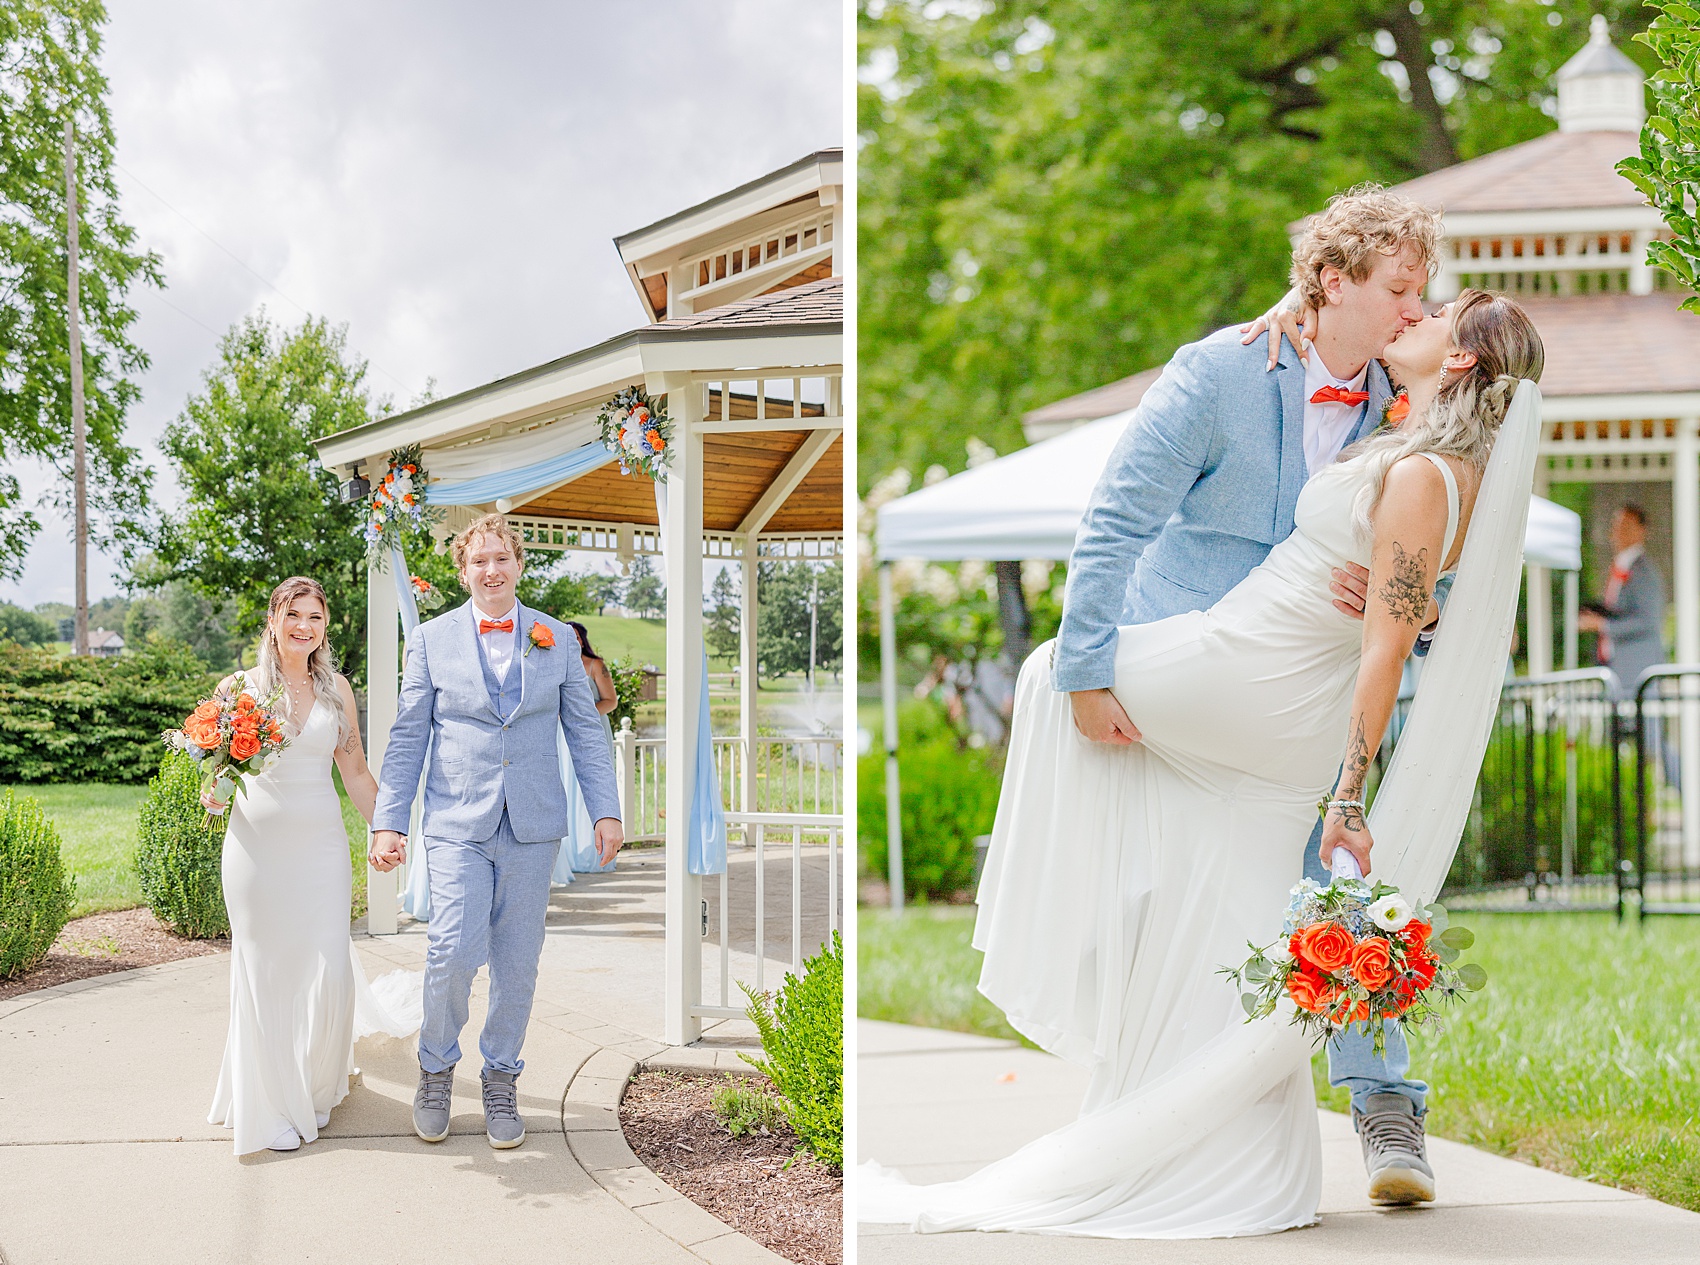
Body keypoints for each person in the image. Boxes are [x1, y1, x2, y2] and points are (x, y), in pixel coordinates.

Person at [859, 214, 1546, 1235]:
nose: (1413, 305)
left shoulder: (1398, 424)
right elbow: (1117, 518)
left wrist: (1409, 608)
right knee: (1216, 931)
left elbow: (1414, 584)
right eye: (1404, 288)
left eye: (1424, 300)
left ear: (1452, 353)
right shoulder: (1232, 369)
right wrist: (1099, 663)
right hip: (1218, 653)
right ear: (1329, 279)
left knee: (1050, 676)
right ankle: (1220, 1166)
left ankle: (1377, 1098)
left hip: (1264, 686)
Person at [369, 513, 622, 1151]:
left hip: (533, 824)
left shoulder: (556, 638)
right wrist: (389, 822)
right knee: (451, 949)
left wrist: (606, 809)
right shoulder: (429, 641)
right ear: (463, 570)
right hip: (457, 823)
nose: (491, 570)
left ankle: (502, 1076)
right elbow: (407, 738)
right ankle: (435, 1066)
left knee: (518, 962)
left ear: (518, 564)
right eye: (478, 561)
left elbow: (586, 732)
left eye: (501, 559)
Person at [204, 577, 419, 1155]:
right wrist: (214, 790)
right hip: (256, 852)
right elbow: (217, 776)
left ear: (326, 628)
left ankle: (313, 1087)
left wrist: (386, 827)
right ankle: (269, 1105)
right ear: (274, 620)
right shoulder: (239, 689)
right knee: (265, 970)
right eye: (294, 614)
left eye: (315, 618)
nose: (304, 626)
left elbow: (354, 773)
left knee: (326, 968)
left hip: (321, 851)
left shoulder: (337, 692)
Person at [551, 620, 621, 881]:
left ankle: (593, 853)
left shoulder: (595, 665)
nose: (572, 640)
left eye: (576, 636)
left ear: (582, 639)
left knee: (586, 789)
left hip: (589, 730)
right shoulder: (555, 663)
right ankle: (568, 853)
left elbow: (610, 701)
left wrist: (579, 715)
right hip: (559, 735)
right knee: (565, 788)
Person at [1580, 504, 1667, 699]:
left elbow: (1648, 621)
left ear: (1641, 530)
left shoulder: (1644, 572)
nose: (1618, 531)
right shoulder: (1620, 566)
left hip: (1637, 670)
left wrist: (1602, 624)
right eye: (1616, 525)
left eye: (1626, 525)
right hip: (1617, 669)